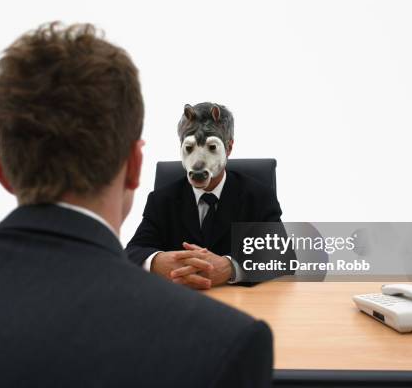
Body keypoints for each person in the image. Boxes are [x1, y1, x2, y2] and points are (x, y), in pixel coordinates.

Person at [0, 22, 273, 387]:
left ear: (2, 171)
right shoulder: (228, 346)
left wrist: (231, 266)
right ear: (135, 166)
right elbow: (138, 251)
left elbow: (286, 249)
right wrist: (157, 262)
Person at [125, 102, 295, 289]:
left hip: (239, 306)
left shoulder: (258, 196)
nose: (198, 163)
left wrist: (231, 267)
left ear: (229, 148)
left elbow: (283, 258)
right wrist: (157, 261)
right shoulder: (161, 200)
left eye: (212, 148)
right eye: (189, 148)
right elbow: (133, 252)